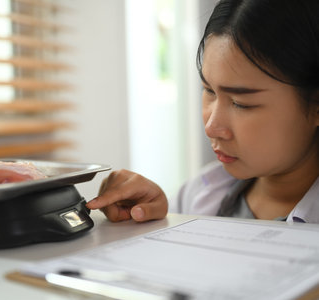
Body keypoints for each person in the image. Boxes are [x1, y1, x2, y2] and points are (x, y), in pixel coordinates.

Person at [87, 0, 319, 223]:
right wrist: (150, 221)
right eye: (208, 90)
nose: (211, 127)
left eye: (241, 103)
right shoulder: (197, 194)